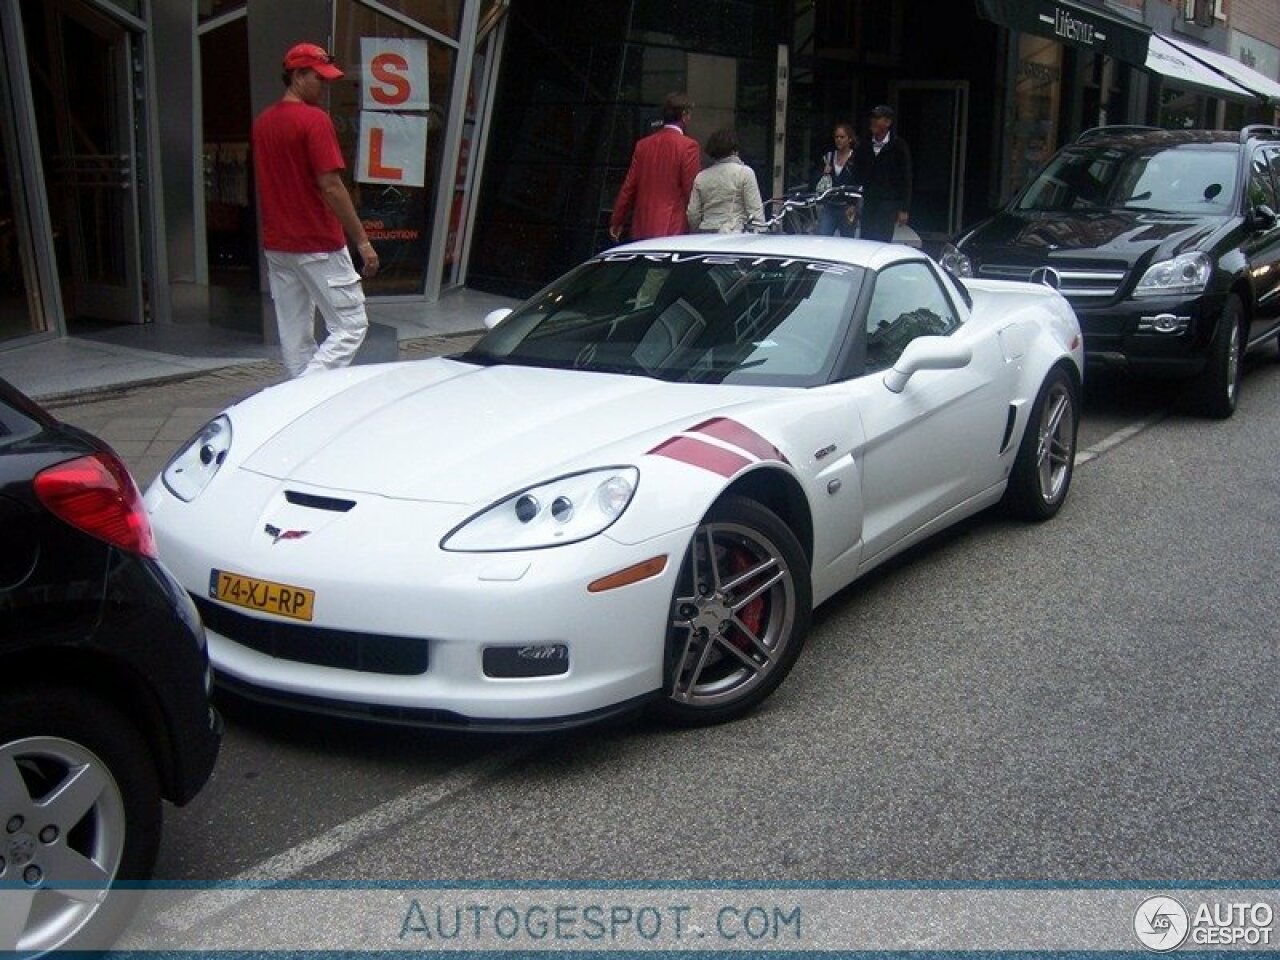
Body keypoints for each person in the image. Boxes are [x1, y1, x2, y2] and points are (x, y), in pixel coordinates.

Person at [252, 42, 379, 378]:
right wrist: (362, 240)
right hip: (318, 240)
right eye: (319, 79)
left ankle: (300, 397)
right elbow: (331, 185)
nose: (325, 86)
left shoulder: (264, 122)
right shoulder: (314, 120)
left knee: (295, 336)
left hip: (278, 242)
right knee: (351, 326)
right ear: (297, 75)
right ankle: (304, 395)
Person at [609, 93, 701, 242]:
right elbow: (691, 190)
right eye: (690, 114)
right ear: (684, 114)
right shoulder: (689, 146)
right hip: (673, 226)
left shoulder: (643, 145)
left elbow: (629, 187)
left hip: (642, 223)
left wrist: (617, 220)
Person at [852, 104, 912, 243]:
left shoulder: (899, 146)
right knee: (865, 239)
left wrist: (904, 209)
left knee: (882, 241)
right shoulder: (864, 146)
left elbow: (906, 179)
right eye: (872, 118)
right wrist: (852, 202)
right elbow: (856, 176)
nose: (873, 121)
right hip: (868, 201)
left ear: (888, 122)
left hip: (888, 203)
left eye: (877, 118)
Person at [686, 129, 765, 233]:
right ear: (735, 150)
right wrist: (761, 233)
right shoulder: (745, 172)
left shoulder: (701, 176)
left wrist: (697, 230)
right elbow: (755, 211)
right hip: (734, 233)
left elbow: (693, 213)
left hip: (706, 234)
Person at [815, 121, 859, 237]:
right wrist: (823, 173)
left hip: (848, 206)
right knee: (823, 238)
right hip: (830, 205)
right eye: (836, 137)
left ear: (849, 139)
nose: (838, 140)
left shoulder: (856, 159)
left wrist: (853, 204)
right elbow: (815, 180)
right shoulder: (828, 157)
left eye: (842, 137)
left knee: (847, 240)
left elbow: (859, 183)